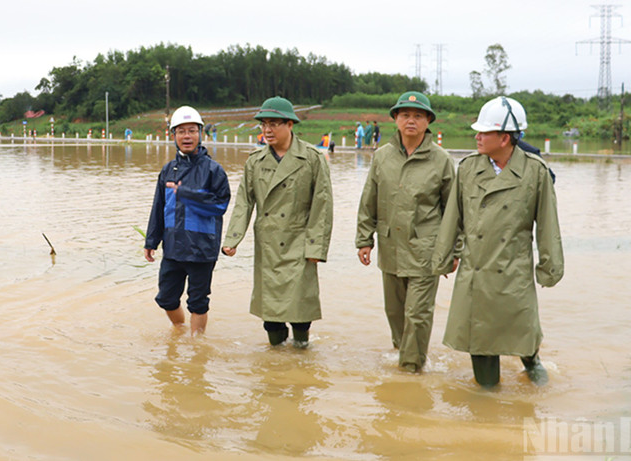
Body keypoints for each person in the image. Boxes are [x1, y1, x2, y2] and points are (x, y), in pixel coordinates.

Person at [431, 96, 564, 387]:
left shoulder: (535, 171)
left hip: (512, 268)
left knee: (523, 329)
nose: (476, 137)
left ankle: (532, 362)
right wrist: (443, 257)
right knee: (480, 340)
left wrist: (549, 268)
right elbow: (453, 217)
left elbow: (547, 225)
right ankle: (487, 402)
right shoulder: (467, 168)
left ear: (505, 138)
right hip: (475, 267)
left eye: (483, 132)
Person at [355, 91, 456, 373]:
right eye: (405, 115)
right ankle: (404, 353)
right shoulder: (382, 157)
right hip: (391, 246)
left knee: (418, 314)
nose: (411, 120)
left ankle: (411, 369)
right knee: (395, 312)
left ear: (428, 122)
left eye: (418, 116)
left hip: (427, 249)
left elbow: (454, 211)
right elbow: (369, 200)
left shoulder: (441, 160)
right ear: (396, 119)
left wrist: (454, 251)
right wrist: (365, 239)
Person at [222, 96, 333, 348]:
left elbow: (322, 206)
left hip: (299, 243)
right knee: (270, 315)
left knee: (300, 313)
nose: (267, 130)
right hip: (269, 244)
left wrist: (316, 248)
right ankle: (275, 366)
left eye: (273, 124)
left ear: (290, 124)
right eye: (263, 125)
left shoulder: (312, 159)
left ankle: (302, 358)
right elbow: (244, 203)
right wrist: (232, 240)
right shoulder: (255, 161)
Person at [144, 106, 231, 336]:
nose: (186, 136)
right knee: (166, 298)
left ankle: (196, 345)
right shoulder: (167, 171)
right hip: (173, 246)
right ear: (173, 136)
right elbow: (158, 207)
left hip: (202, 247)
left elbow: (219, 205)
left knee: (198, 302)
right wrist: (151, 240)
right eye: (181, 131)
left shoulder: (214, 170)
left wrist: (186, 194)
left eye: (192, 130)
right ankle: (179, 331)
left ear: (200, 133)